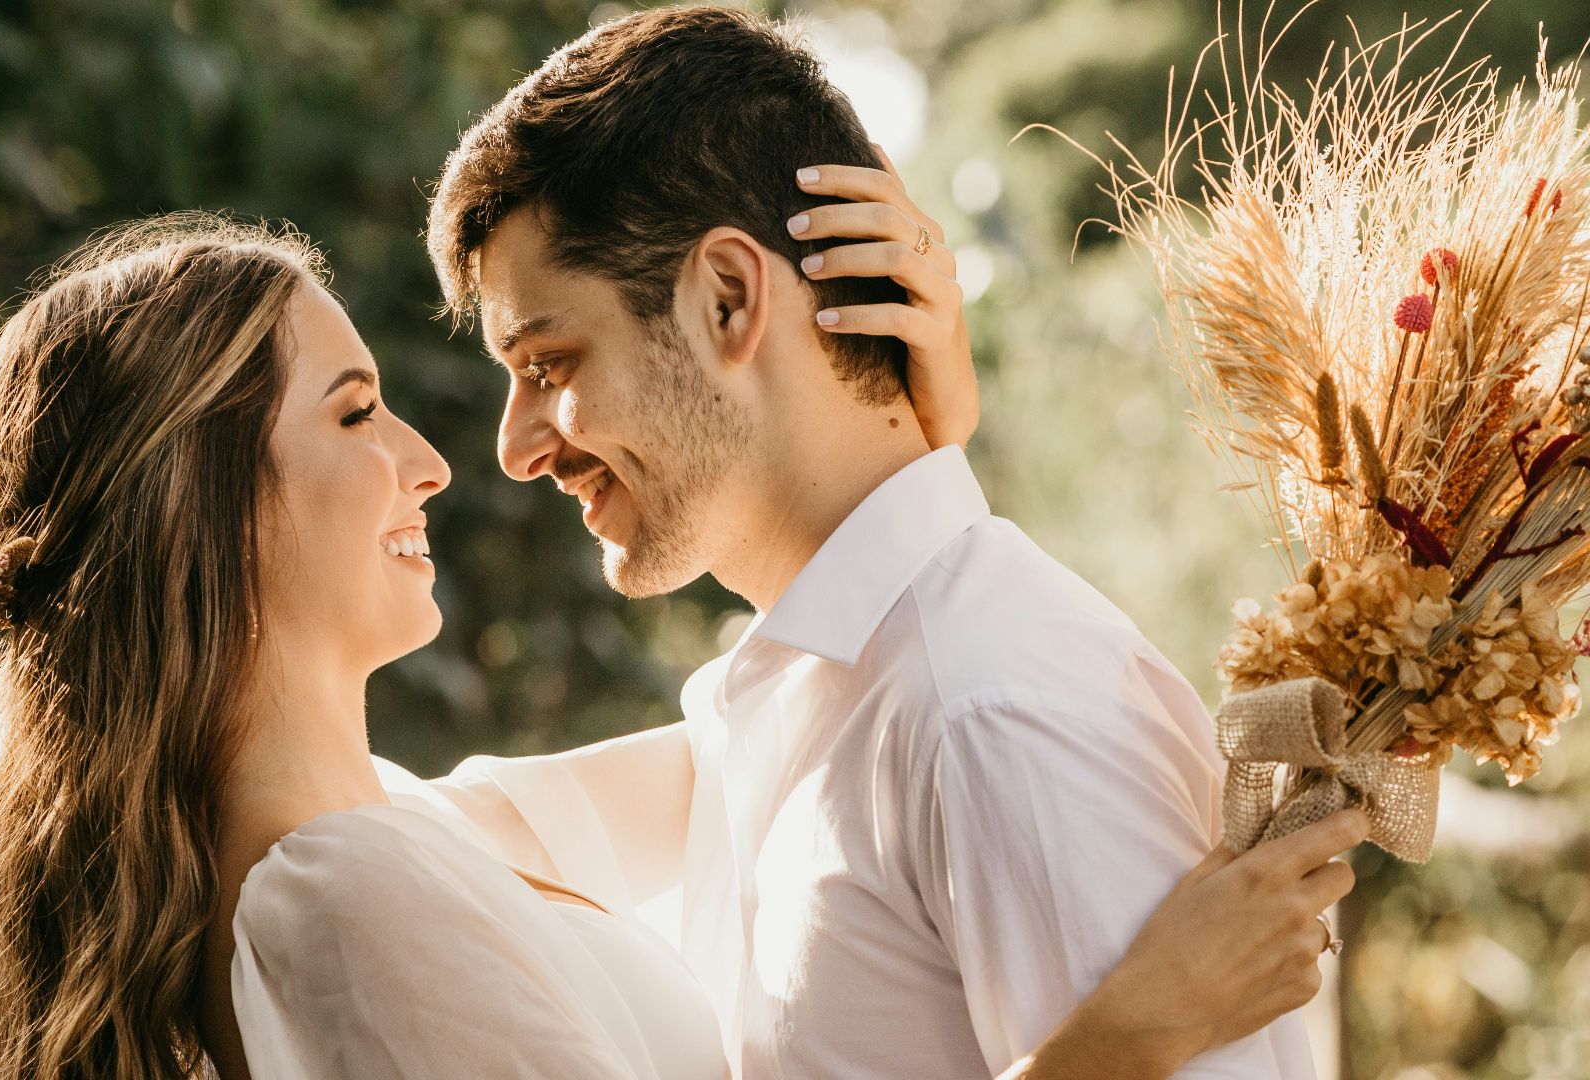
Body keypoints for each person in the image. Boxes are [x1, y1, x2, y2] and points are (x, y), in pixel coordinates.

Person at [0, 210, 1360, 1080]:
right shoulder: (338, 901)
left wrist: (898, 444)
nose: (434, 461)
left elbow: (798, 716)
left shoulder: (405, 836)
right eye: (356, 414)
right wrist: (1123, 1041)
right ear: (207, 506)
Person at [410, 5, 1346, 1078]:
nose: (517, 447)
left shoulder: (996, 714)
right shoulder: (775, 704)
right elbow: (390, 842)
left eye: (549, 364)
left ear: (727, 299)